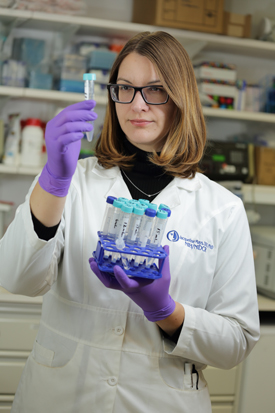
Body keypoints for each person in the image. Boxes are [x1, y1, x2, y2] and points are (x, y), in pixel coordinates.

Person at [0, 31, 260, 413]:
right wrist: (54, 180)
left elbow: (236, 341)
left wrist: (166, 312)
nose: (136, 104)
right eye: (125, 88)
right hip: (60, 397)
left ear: (180, 98)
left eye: (155, 90)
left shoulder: (222, 208)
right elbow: (15, 276)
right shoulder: (75, 179)